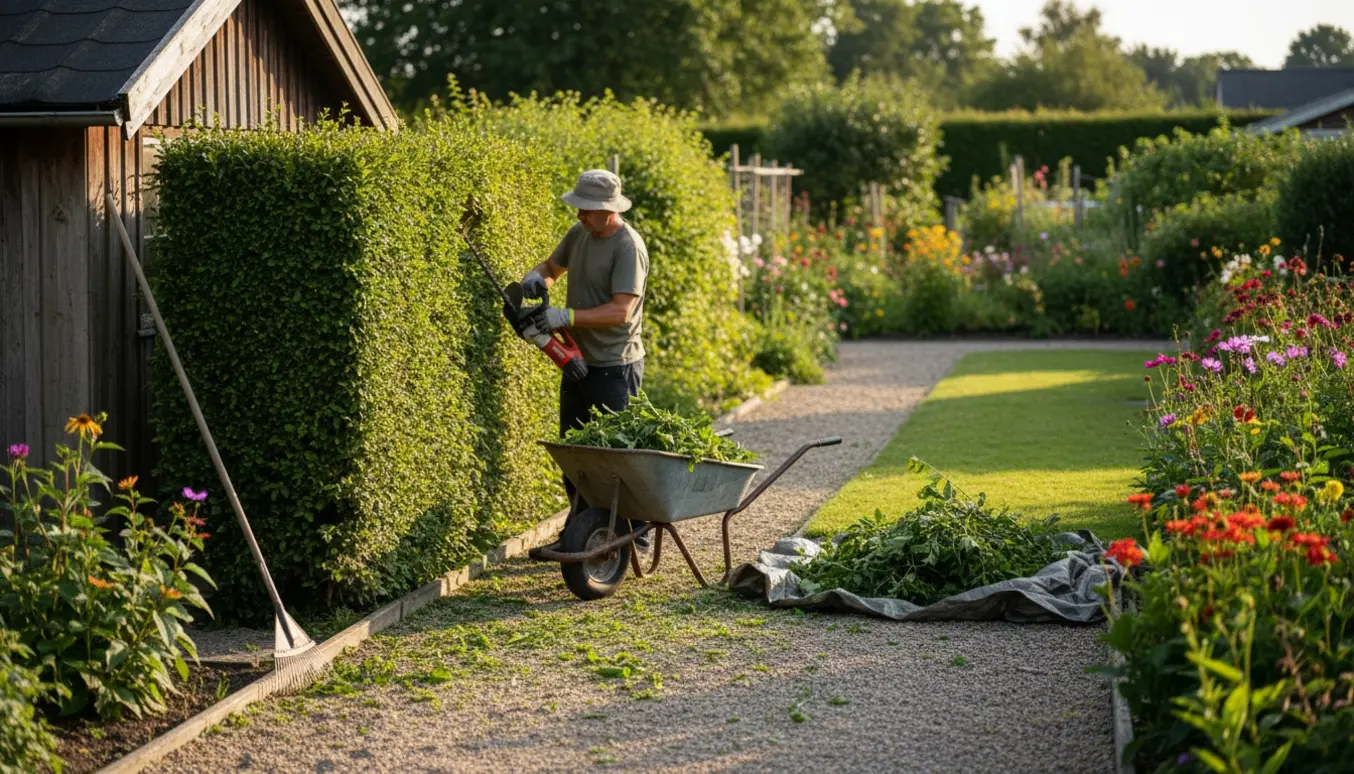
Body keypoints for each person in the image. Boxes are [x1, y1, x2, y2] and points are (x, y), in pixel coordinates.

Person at [523, 169, 650, 557]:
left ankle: (630, 533)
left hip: (615, 365)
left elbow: (621, 312)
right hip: (577, 361)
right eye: (578, 207)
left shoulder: (628, 247)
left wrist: (567, 318)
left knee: (613, 458)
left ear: (608, 210)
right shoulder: (581, 234)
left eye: (586, 209)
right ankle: (578, 530)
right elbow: (552, 267)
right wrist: (537, 278)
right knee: (575, 454)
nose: (578, 215)